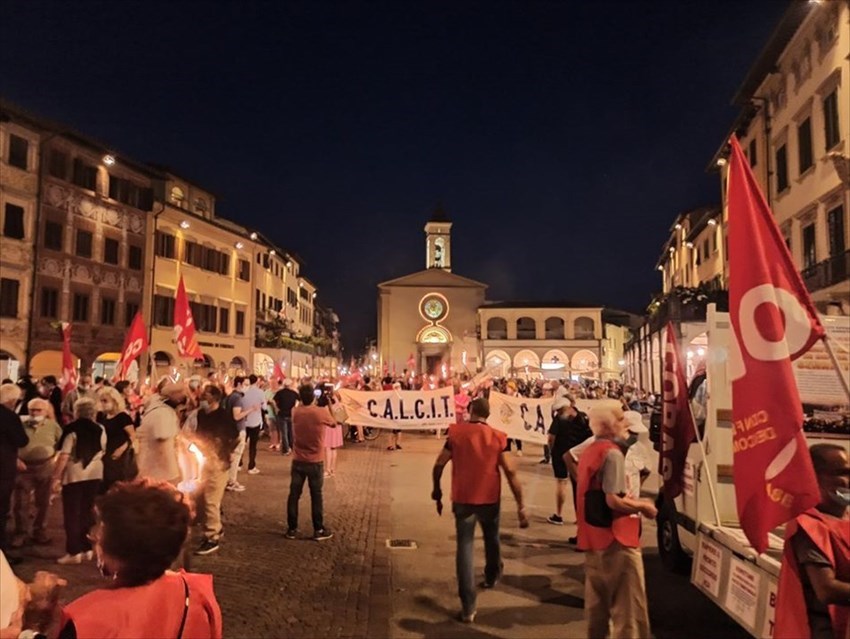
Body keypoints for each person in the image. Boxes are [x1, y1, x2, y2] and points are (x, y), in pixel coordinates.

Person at [59, 479, 223, 638]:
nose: (92, 537)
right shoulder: (197, 595)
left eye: (100, 531)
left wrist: (37, 623)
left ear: (121, 548)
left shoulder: (85, 620)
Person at [431, 397, 529, 623]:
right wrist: (520, 505)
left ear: (470, 410)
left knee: (464, 549)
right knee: (491, 537)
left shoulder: (455, 433)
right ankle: (492, 574)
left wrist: (436, 492)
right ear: (488, 414)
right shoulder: (498, 437)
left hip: (463, 497)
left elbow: (439, 464)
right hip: (489, 497)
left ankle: (468, 606)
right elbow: (511, 472)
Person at [575, 404, 657, 639]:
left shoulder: (590, 451)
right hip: (617, 539)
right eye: (621, 419)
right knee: (629, 611)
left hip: (592, 538)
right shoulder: (612, 454)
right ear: (608, 426)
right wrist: (644, 506)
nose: (626, 424)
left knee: (597, 610)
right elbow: (613, 500)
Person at [775, 443, 849, 639]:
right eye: (840, 473)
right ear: (813, 477)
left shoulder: (843, 520)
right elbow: (826, 589)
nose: (847, 481)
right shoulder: (809, 526)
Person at [52, 396, 107, 565]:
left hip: (74, 474)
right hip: (95, 472)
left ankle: (73, 551)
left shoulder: (71, 429)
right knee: (87, 511)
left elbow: (64, 455)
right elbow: (103, 449)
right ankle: (87, 548)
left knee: (72, 513)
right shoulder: (100, 428)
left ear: (76, 412)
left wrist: (56, 477)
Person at [187, 385, 240, 556]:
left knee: (211, 500)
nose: (202, 397)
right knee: (204, 499)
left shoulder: (224, 416)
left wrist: (226, 452)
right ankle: (215, 528)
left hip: (218, 462)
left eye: (206, 395)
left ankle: (212, 537)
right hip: (203, 462)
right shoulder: (202, 414)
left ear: (215, 397)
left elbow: (236, 437)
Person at [285, 383, 335, 541]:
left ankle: (292, 529)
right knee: (316, 495)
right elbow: (335, 422)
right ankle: (318, 529)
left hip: (298, 459)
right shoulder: (320, 413)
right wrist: (328, 405)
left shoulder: (295, 412)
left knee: (294, 495)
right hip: (315, 460)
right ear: (313, 396)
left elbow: (300, 408)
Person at [12, 398, 62, 547]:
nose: (34, 413)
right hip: (23, 468)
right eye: (32, 410)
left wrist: (56, 461)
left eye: (38, 410)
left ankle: (40, 531)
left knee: (43, 502)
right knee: (21, 503)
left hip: (45, 466)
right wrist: (16, 459)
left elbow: (62, 445)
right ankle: (21, 533)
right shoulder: (19, 425)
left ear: (46, 412)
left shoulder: (53, 426)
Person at [546, 396, 591, 527]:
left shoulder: (559, 419)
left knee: (561, 482)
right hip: (578, 455)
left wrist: (551, 450)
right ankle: (580, 516)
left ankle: (559, 515)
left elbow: (551, 438)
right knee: (578, 485)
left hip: (561, 453)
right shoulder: (583, 417)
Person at [0, 384, 28, 561]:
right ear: (11, 401)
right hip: (3, 467)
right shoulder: (10, 417)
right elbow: (22, 440)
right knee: (1, 509)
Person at [137, 382, 185, 484]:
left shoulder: (161, 410)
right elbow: (163, 445)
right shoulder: (162, 414)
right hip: (159, 473)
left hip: (153, 471)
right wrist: (173, 473)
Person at [96, 386, 138, 493]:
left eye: (105, 401)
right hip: (105, 453)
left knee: (116, 483)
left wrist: (122, 449)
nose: (103, 404)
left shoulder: (123, 417)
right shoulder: (103, 417)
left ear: (114, 401)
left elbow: (132, 435)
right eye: (101, 401)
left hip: (119, 455)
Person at [234, 375, 265, 475]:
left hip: (244, 421)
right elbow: (264, 407)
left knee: (242, 443)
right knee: (253, 445)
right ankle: (251, 466)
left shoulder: (243, 392)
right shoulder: (260, 392)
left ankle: (239, 463)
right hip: (255, 420)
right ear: (257, 381)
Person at [273, 378, 299, 454]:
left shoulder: (279, 393)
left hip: (282, 414)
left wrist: (277, 408)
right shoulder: (294, 393)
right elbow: (299, 400)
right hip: (291, 414)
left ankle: (286, 449)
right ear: (290, 385)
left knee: (284, 433)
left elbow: (274, 401)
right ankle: (291, 447)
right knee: (291, 432)